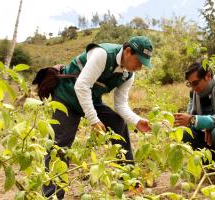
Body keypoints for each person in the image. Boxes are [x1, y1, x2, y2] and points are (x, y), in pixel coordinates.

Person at [43, 36, 153, 199]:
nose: (139, 67)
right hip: (67, 97)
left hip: (90, 100)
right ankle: (52, 195)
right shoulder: (102, 54)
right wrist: (94, 120)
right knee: (60, 145)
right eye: (139, 62)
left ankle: (128, 179)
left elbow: (121, 104)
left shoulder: (128, 75)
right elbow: (81, 86)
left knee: (118, 124)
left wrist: (137, 121)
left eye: (143, 64)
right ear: (128, 52)